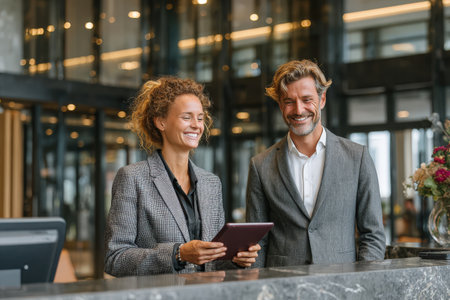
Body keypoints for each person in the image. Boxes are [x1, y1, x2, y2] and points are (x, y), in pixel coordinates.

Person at [105, 77, 260, 276]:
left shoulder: (211, 183)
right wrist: (178, 254)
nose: (196, 125)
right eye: (186, 117)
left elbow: (213, 262)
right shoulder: (132, 178)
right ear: (161, 122)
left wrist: (236, 259)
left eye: (200, 118)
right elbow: (115, 259)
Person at [246, 60, 386, 267]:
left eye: (306, 99)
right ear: (280, 105)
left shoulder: (357, 157)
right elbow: (257, 242)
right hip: (282, 285)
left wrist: (362, 285)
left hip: (342, 285)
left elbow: (372, 234)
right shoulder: (260, 165)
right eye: (289, 101)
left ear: (322, 99)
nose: (298, 109)